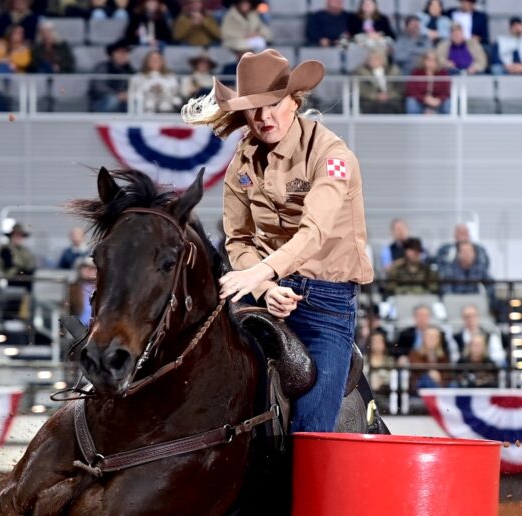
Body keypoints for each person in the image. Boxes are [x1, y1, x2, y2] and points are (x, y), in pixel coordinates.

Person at [184, 48, 374, 433]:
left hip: (326, 304)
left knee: (311, 430)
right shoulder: (241, 161)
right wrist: (266, 285)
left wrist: (261, 273)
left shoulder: (332, 155)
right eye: (253, 108)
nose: (264, 117)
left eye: (273, 104)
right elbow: (237, 239)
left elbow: (315, 231)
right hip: (262, 294)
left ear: (294, 101)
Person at [393, 303, 458, 361]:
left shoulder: (439, 333)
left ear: (429, 317)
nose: (422, 319)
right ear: (414, 317)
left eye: (425, 315)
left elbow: (445, 352)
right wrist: (402, 357)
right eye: (419, 315)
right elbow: (397, 349)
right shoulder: (405, 334)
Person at [90, 40, 135, 113]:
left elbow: (135, 85)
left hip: (123, 101)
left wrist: (128, 94)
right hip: (101, 101)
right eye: (120, 52)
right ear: (112, 54)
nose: (124, 55)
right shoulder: (102, 67)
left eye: (126, 52)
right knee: (113, 100)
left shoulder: (130, 70)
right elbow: (98, 87)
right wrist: (117, 95)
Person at [355, 49, 404, 114]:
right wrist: (375, 96)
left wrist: (389, 95)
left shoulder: (393, 71)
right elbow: (361, 88)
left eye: (377, 58)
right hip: (369, 101)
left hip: (391, 100)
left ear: (383, 60)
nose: (374, 61)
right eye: (371, 59)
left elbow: (399, 88)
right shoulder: (361, 72)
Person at [405, 50, 451, 115]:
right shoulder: (416, 72)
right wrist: (425, 99)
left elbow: (446, 91)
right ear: (424, 60)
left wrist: (439, 99)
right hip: (421, 102)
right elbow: (411, 90)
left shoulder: (442, 73)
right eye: (428, 59)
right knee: (411, 102)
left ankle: (447, 123)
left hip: (438, 102)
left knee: (447, 102)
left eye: (433, 60)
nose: (431, 62)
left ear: (437, 62)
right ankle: (414, 124)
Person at [407, 325, 450, 391]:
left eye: (434, 337)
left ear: (439, 339)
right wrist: (430, 373)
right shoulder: (415, 354)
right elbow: (417, 368)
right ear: (424, 338)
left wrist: (439, 378)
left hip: (440, 386)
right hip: (420, 387)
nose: (431, 339)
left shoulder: (443, 356)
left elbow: (447, 374)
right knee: (426, 379)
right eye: (428, 336)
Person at [69, 255, 97, 326]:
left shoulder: (103, 290)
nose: (89, 270)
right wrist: (78, 334)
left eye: (92, 268)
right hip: (76, 330)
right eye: (85, 267)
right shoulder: (71, 288)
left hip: (97, 330)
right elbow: (65, 312)